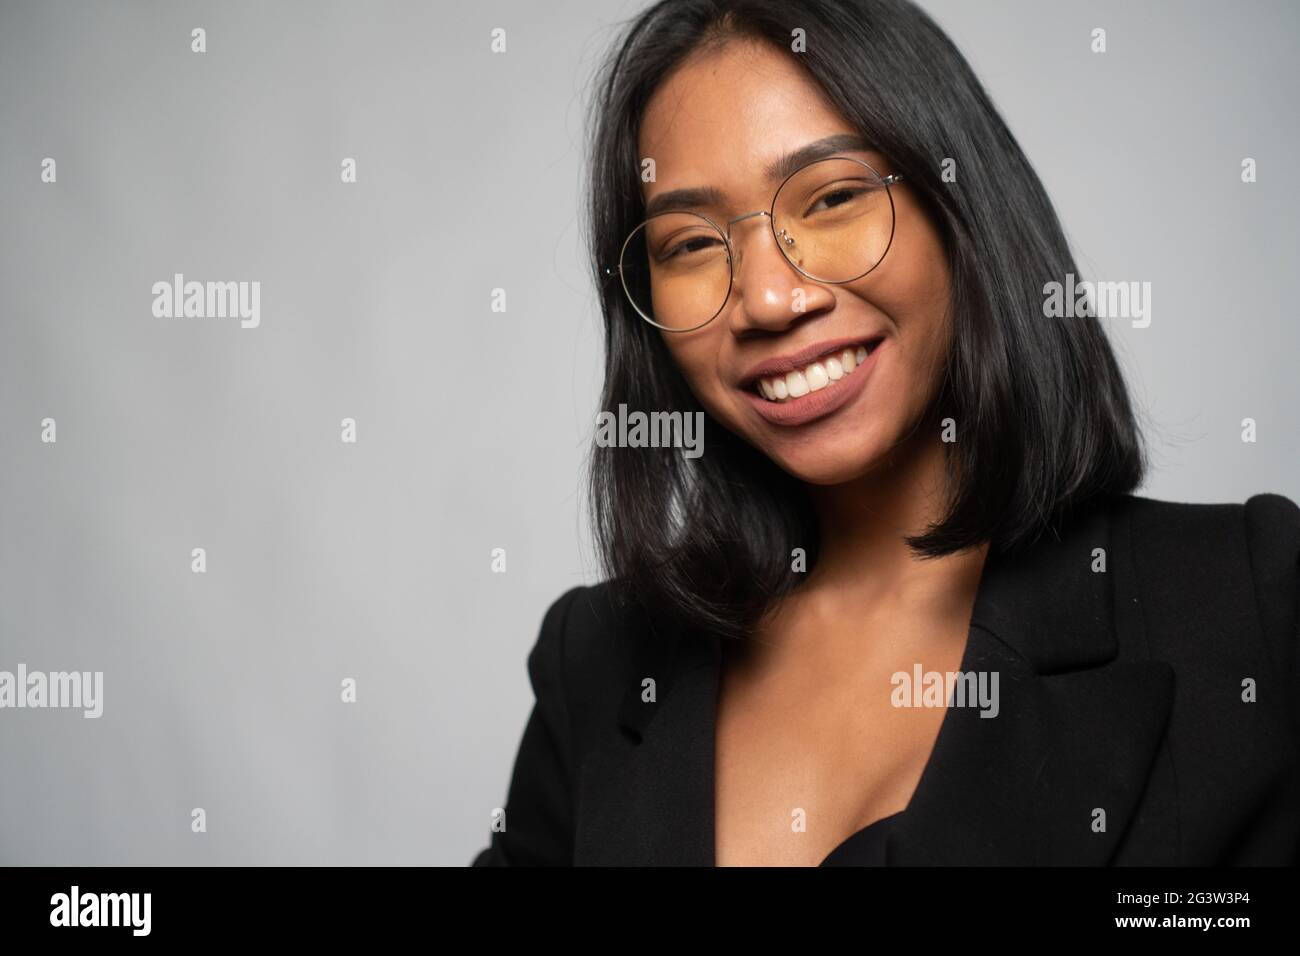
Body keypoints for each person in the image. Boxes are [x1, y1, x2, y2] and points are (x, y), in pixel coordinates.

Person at [472, 0, 1300, 866]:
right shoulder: (596, 663)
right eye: (689, 244)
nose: (767, 299)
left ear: (961, 206)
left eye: (831, 197)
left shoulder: (1245, 603)